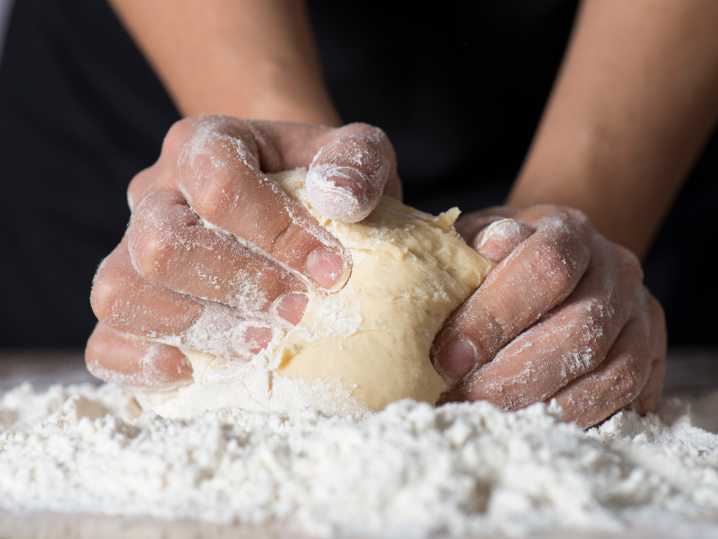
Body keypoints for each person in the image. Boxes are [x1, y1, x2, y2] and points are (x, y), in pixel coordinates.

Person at [3, 1, 718, 426]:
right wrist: (280, 183)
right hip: (161, 85)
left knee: (570, 341)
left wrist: (575, 227)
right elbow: (275, 201)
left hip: (627, 91)